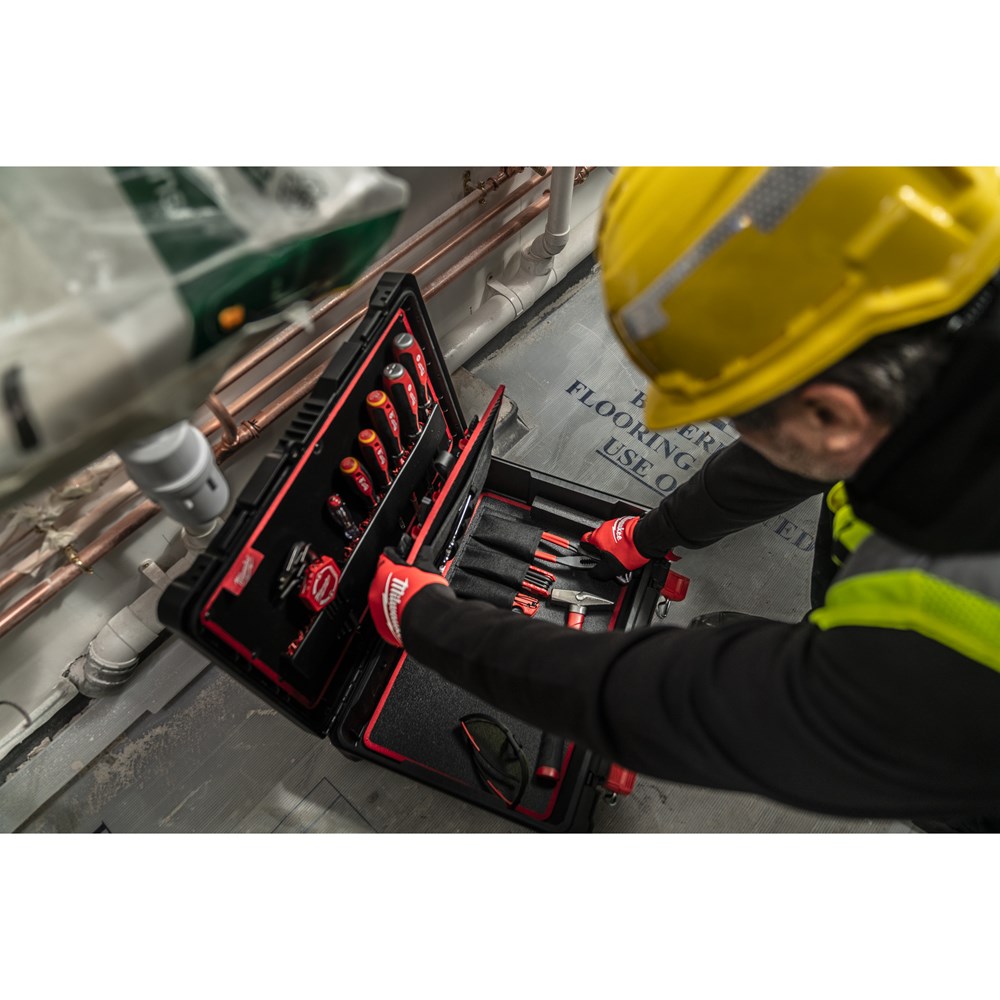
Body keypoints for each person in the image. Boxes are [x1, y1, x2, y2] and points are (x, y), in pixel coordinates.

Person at [368, 167, 1000, 829]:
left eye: (742, 420)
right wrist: (652, 534)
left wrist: (427, 620)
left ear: (832, 416)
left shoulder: (929, 664)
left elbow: (662, 703)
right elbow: (796, 460)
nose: (744, 437)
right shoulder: (948, 302)